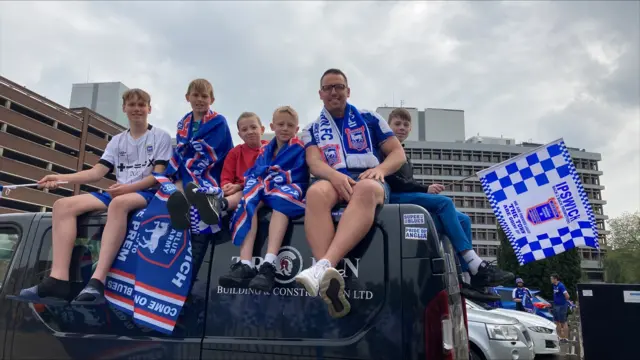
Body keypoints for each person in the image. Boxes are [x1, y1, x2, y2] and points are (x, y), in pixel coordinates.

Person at [17, 88, 173, 304]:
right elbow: (96, 173)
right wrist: (60, 177)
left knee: (118, 204)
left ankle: (97, 280)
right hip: (118, 191)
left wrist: (128, 189)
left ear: (149, 108)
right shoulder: (117, 141)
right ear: (124, 108)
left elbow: (158, 176)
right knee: (62, 205)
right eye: (132, 104)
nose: (137, 109)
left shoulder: (160, 137)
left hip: (147, 193)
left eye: (141, 105)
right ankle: (58, 279)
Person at [296, 68, 406, 318]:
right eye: (328, 88)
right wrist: (334, 176)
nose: (334, 92)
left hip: (368, 178)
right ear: (320, 94)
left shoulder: (370, 117)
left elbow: (397, 154)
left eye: (339, 86)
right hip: (334, 179)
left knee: (366, 188)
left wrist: (379, 169)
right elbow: (314, 163)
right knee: (315, 194)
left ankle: (323, 266)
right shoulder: (312, 128)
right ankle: (330, 280)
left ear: (348, 90)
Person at [384, 108, 514, 297]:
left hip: (404, 195)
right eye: (397, 124)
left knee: (464, 220)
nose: (402, 128)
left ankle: (467, 278)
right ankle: (474, 263)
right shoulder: (385, 149)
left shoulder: (403, 153)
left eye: (406, 125)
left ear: (410, 129)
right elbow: (394, 181)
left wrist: (424, 188)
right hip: (392, 196)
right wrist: (425, 189)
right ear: (388, 126)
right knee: (444, 203)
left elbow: (406, 182)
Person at [219, 106, 309, 292]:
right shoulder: (266, 149)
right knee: (249, 200)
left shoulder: (299, 147)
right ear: (271, 126)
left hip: (290, 187)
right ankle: (245, 264)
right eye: (281, 124)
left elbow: (297, 172)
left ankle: (268, 264)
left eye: (290, 125)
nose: (285, 128)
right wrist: (254, 182)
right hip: (268, 185)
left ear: (296, 129)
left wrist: (273, 177)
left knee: (280, 203)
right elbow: (257, 171)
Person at [165, 78, 234, 230]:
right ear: (187, 97)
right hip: (185, 168)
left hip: (212, 168)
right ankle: (182, 217)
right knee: (175, 189)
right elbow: (182, 149)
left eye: (204, 96)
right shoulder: (183, 123)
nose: (200, 99)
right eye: (196, 95)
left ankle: (199, 213)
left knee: (194, 187)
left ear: (212, 100)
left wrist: (195, 155)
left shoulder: (218, 121)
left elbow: (218, 148)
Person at [219, 112, 267, 214]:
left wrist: (240, 186)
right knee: (241, 193)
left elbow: (268, 176)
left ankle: (219, 204)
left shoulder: (270, 149)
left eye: (253, 127)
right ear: (240, 134)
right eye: (244, 130)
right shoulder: (234, 153)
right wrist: (228, 186)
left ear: (262, 129)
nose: (250, 132)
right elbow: (226, 177)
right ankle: (213, 204)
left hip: (261, 190)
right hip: (238, 192)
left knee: (247, 193)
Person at [551, 273, 571, 343]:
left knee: (563, 322)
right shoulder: (554, 285)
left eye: (552, 279)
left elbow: (567, 296)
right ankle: (559, 337)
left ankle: (565, 338)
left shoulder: (561, 286)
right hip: (556, 305)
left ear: (555, 279)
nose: (551, 280)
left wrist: (563, 301)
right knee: (556, 321)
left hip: (562, 306)